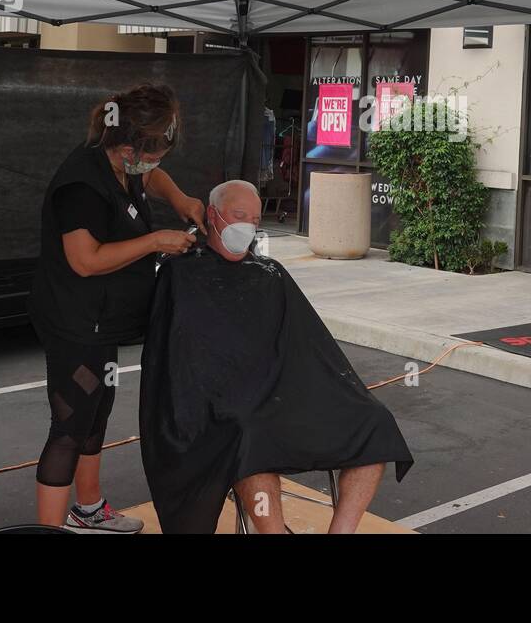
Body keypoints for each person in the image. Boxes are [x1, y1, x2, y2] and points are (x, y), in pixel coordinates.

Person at [140, 179, 413, 533]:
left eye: (254, 221)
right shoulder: (180, 273)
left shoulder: (270, 274)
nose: (247, 227)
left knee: (374, 420)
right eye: (238, 216)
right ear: (213, 215)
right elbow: (177, 365)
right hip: (224, 407)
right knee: (248, 432)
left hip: (282, 395)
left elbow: (309, 346)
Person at [28, 83, 206, 533]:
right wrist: (154, 240)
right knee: (69, 423)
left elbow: (152, 177)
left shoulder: (124, 165)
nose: (154, 163)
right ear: (127, 146)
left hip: (101, 322)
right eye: (151, 154)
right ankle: (48, 530)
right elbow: (84, 261)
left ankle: (88, 509)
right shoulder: (81, 185)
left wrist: (181, 199)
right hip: (74, 322)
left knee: (97, 407)